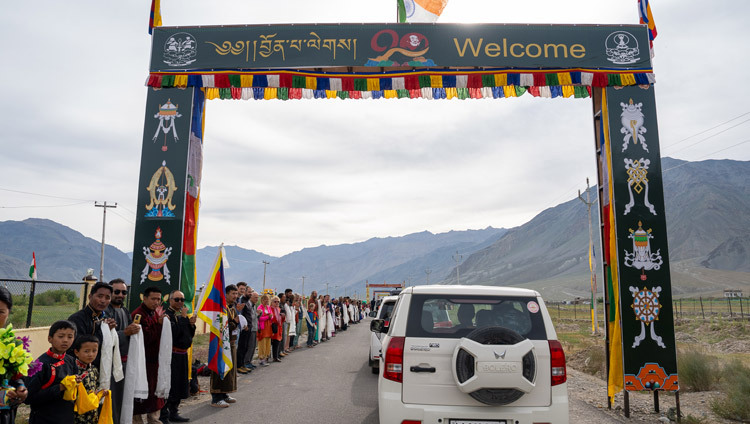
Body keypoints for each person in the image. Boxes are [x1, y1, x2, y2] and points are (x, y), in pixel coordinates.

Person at [25, 320, 77, 424]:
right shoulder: (38, 364)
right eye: (61, 336)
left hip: (66, 417)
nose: (65, 340)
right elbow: (29, 398)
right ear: (50, 339)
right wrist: (59, 388)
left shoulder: (71, 361)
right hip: (44, 418)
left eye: (70, 337)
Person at [105, 278, 140, 424]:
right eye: (117, 291)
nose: (120, 295)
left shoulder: (125, 311)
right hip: (110, 364)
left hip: (125, 362)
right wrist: (124, 333)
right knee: (112, 401)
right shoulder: (105, 312)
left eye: (124, 292)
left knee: (123, 400)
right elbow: (104, 337)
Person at [131, 286, 166, 424]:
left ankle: (155, 421)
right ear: (144, 298)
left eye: (158, 299)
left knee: (155, 396)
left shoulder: (154, 313)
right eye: (153, 299)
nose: (156, 302)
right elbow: (144, 339)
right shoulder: (138, 315)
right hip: (143, 363)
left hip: (155, 362)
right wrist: (158, 325)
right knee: (140, 396)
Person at [161, 290, 196, 422]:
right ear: (170, 300)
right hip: (172, 354)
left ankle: (174, 412)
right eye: (177, 299)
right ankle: (164, 414)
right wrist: (183, 319)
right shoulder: (167, 315)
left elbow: (188, 335)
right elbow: (174, 334)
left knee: (181, 383)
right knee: (171, 384)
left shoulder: (182, 316)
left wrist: (191, 324)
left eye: (182, 300)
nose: (180, 302)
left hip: (183, 354)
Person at [67, 282, 115, 370]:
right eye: (100, 296)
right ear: (90, 297)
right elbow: (80, 346)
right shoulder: (77, 318)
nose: (103, 301)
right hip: (78, 369)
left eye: (107, 298)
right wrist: (104, 331)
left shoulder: (105, 318)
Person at [0, 288, 27, 424]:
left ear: (8, 313)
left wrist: (21, 389)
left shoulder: (11, 344)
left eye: (1, 312)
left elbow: (16, 376)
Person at [210, 285, 239, 408]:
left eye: (236, 294)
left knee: (229, 368)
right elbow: (222, 326)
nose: (235, 296)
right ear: (225, 294)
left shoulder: (232, 308)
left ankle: (224, 393)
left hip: (231, 342)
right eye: (233, 293)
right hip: (221, 343)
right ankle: (216, 397)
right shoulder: (221, 309)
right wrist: (235, 322)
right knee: (220, 368)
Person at [72, 334, 101, 424]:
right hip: (77, 415)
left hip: (92, 413)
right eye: (86, 351)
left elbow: (96, 387)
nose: (91, 354)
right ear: (76, 352)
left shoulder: (94, 369)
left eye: (94, 351)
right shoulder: (73, 370)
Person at [256, 294, 273, 366]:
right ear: (262, 300)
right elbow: (259, 318)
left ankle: (266, 357)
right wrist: (267, 317)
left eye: (267, 299)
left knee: (268, 343)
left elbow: (271, 316)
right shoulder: (259, 308)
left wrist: (270, 317)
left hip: (268, 327)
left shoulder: (268, 307)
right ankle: (261, 358)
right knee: (262, 343)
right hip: (262, 328)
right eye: (265, 299)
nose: (266, 301)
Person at [270, 295, 284, 362]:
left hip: (278, 327)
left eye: (278, 302)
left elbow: (281, 320)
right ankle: (269, 356)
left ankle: (276, 356)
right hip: (272, 328)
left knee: (277, 342)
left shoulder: (279, 309)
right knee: (272, 342)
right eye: (275, 301)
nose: (277, 303)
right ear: (272, 302)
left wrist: (283, 317)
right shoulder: (270, 309)